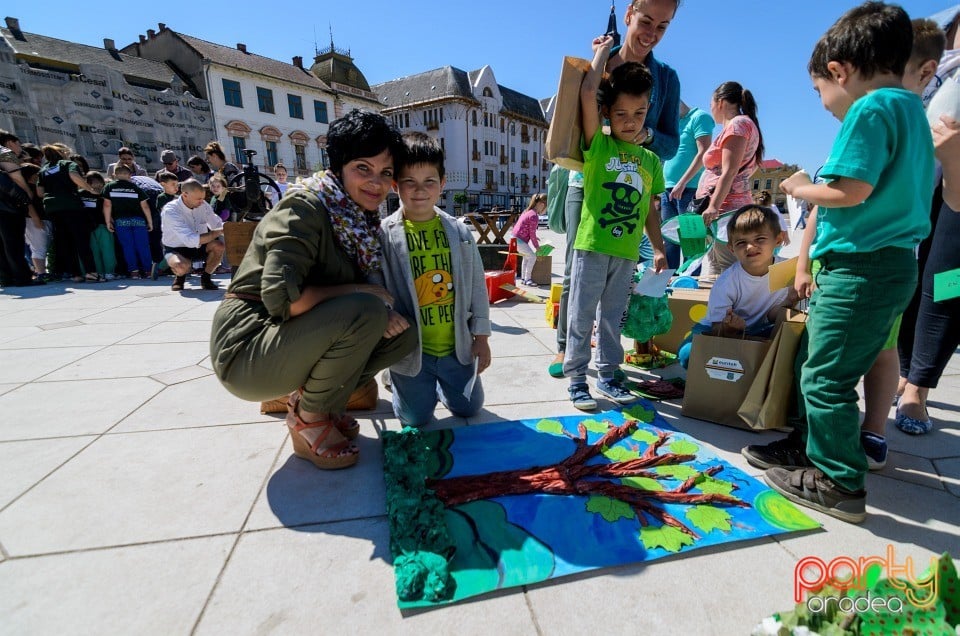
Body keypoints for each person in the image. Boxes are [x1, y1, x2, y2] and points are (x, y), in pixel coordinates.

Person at [745, 2, 934, 523]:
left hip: (863, 267)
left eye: (819, 92)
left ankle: (838, 479)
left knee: (825, 376)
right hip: (889, 264)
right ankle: (810, 448)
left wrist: (798, 186)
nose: (825, 105)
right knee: (820, 363)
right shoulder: (913, 110)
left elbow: (851, 190)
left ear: (839, 71)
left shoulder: (870, 110)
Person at [210, 109, 418, 470]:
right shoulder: (306, 206)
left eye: (386, 173)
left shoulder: (354, 217)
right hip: (247, 350)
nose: (377, 183)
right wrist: (360, 295)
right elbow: (283, 302)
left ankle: (324, 402)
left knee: (402, 333)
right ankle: (309, 419)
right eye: (362, 168)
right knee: (367, 310)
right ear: (338, 167)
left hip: (288, 338)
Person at [550, 0, 681, 378]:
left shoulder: (666, 79)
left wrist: (648, 134)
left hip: (633, 184)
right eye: (645, 21)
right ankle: (567, 349)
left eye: (662, 26)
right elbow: (575, 112)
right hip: (586, 179)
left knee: (617, 287)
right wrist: (599, 60)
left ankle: (608, 357)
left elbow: (669, 144)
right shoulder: (600, 64)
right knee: (578, 268)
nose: (651, 33)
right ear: (628, 15)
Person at [564, 37, 667, 411]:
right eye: (621, 114)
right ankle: (576, 378)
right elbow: (589, 88)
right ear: (607, 112)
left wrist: (657, 248)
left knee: (612, 319)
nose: (629, 122)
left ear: (647, 111)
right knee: (580, 315)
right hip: (592, 248)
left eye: (638, 114)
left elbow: (651, 208)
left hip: (626, 254)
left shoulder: (651, 162)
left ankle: (608, 376)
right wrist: (603, 51)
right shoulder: (600, 146)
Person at [380, 132, 491, 427]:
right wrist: (385, 314)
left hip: (456, 348)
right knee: (415, 419)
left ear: (442, 184)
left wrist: (481, 337)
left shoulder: (459, 232)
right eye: (409, 183)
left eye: (429, 181)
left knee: (469, 408)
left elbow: (478, 288)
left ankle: (442, 384)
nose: (420, 191)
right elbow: (374, 284)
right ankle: (398, 380)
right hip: (412, 351)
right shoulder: (384, 235)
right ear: (395, 186)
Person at [896, 8, 960, 435]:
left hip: (958, 195)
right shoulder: (932, 55)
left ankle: (918, 387)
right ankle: (904, 371)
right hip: (918, 188)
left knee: (947, 284)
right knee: (909, 279)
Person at [677, 205, 796, 368]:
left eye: (760, 239)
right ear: (731, 248)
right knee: (687, 354)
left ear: (778, 239)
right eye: (741, 242)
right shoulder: (727, 282)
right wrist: (731, 328)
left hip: (759, 330)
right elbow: (717, 326)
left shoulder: (788, 270)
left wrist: (791, 300)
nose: (750, 247)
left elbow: (773, 315)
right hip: (718, 328)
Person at [696, 81, 765, 283]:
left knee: (727, 269)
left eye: (711, 104)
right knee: (717, 270)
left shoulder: (738, 124)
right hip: (723, 210)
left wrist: (713, 206)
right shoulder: (741, 124)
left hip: (725, 211)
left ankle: (731, 313)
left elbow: (730, 170)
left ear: (721, 102)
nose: (710, 109)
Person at [662, 101, 715, 268]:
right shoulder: (673, 124)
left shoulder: (699, 117)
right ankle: (669, 282)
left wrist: (682, 182)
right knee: (669, 238)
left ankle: (688, 282)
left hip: (689, 189)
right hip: (668, 189)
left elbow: (704, 152)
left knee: (691, 241)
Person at [37, 144, 99, 283]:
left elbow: (40, 192)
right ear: (62, 153)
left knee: (66, 241)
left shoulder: (44, 169)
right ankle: (91, 272)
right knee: (81, 240)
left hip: (53, 208)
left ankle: (75, 274)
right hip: (71, 205)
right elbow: (74, 176)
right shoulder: (67, 164)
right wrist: (89, 189)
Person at [160, 179, 224, 291]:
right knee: (181, 266)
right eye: (198, 199)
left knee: (219, 246)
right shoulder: (171, 210)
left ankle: (206, 278)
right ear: (185, 195)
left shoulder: (203, 205)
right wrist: (217, 232)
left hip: (200, 246)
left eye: (203, 198)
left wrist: (228, 227)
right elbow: (190, 240)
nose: (201, 202)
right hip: (176, 248)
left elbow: (216, 224)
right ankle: (180, 278)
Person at [0, 130, 41, 286]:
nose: (19, 146)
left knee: (2, 244)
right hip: (8, 206)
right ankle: (22, 276)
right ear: (9, 142)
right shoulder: (4, 153)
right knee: (13, 242)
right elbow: (16, 177)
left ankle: (6, 277)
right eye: (17, 143)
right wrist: (28, 193)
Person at [102, 163, 153, 279]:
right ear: (130, 175)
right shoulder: (135, 187)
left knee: (127, 246)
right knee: (143, 245)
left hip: (121, 221)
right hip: (138, 220)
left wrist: (108, 221)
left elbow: (106, 205)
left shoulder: (109, 187)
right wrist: (149, 222)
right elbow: (145, 206)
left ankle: (134, 272)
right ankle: (148, 271)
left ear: (114, 174)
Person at [80, 171, 116, 281]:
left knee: (98, 251)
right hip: (99, 226)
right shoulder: (102, 195)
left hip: (93, 226)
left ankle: (101, 272)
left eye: (99, 183)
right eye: (94, 183)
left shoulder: (79, 194)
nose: (97, 185)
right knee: (105, 250)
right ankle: (107, 272)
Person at [512, 193, 545, 287]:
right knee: (532, 257)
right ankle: (528, 279)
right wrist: (537, 248)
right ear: (541, 204)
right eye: (545, 208)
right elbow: (532, 234)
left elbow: (527, 229)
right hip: (519, 239)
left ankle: (523, 278)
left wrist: (534, 237)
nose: (544, 211)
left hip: (514, 238)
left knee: (526, 257)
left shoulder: (527, 211)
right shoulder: (534, 216)